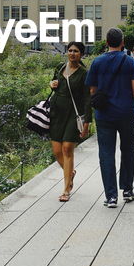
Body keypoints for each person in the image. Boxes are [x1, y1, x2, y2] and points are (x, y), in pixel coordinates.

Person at [86, 27, 134, 208]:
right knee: (128, 151)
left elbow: (92, 90)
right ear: (122, 43)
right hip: (125, 113)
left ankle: (111, 196)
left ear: (106, 43)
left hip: (104, 114)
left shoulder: (97, 62)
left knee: (106, 153)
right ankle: (128, 190)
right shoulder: (129, 62)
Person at [47, 41, 89, 202]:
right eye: (70, 50)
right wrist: (52, 84)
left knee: (67, 149)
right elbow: (54, 84)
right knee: (57, 151)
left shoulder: (84, 73)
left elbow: (87, 99)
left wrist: (87, 122)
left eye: (76, 51)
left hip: (74, 114)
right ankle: (70, 172)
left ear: (81, 54)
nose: (72, 53)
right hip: (57, 113)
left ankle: (66, 189)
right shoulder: (59, 67)